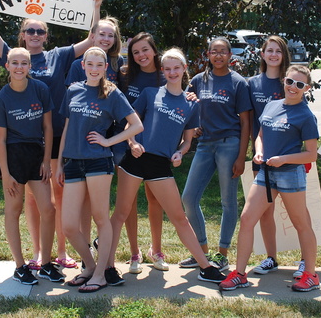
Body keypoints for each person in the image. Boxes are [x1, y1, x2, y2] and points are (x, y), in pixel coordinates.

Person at [0, 0, 102, 271]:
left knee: (56, 195)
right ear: (23, 34)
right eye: (30, 30)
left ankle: (60, 252)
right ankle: (39, 252)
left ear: (46, 36)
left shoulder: (58, 56)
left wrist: (96, 6)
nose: (35, 34)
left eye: (40, 31)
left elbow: (91, 39)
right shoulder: (14, 56)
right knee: (34, 201)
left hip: (57, 135)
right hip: (25, 142)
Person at [106, 48, 227, 284]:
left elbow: (187, 141)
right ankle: (107, 266)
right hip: (135, 160)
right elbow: (128, 126)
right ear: (163, 71)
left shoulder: (192, 104)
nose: (172, 72)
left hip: (160, 165)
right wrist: (131, 143)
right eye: (168, 68)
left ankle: (205, 266)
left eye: (177, 68)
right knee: (120, 214)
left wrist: (179, 153)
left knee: (179, 217)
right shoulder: (150, 94)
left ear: (184, 70)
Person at [220, 65, 321, 292]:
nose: (293, 87)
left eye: (299, 84)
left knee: (301, 224)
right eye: (289, 82)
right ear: (284, 81)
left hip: (290, 175)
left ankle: (311, 275)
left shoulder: (306, 115)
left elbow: (311, 154)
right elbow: (261, 135)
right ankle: (239, 274)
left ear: (307, 88)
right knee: (247, 220)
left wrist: (283, 159)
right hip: (266, 172)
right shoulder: (272, 105)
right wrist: (258, 150)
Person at [55, 47, 143, 293]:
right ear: (83, 66)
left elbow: (136, 125)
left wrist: (107, 142)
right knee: (69, 225)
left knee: (100, 218)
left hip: (98, 162)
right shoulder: (73, 90)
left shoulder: (112, 93)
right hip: (73, 162)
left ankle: (101, 274)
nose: (94, 69)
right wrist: (60, 162)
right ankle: (91, 267)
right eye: (89, 64)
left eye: (99, 65)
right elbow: (67, 129)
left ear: (106, 67)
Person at [0, 47, 64, 285]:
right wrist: (7, 174)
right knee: (14, 209)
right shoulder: (2, 97)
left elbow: (48, 128)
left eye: (24, 63)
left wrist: (45, 159)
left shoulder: (40, 89)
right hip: (12, 157)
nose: (19, 67)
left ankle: (45, 264)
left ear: (30, 66)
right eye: (15, 63)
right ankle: (20, 266)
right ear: (7, 66)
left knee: (49, 208)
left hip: (36, 153)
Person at [180, 37, 251, 271]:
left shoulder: (238, 83)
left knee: (228, 201)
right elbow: (186, 107)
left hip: (229, 144)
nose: (218, 56)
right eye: (214, 52)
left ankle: (222, 253)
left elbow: (245, 123)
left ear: (230, 55)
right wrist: (193, 126)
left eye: (223, 52)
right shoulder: (199, 81)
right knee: (188, 198)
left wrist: (242, 156)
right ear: (207, 55)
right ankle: (201, 252)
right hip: (204, 144)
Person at [246, 35, 299, 276]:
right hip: (262, 157)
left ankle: (305, 259)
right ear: (263, 54)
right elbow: (247, 121)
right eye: (269, 50)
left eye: (278, 50)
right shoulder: (252, 84)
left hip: (290, 159)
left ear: (283, 54)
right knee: (265, 212)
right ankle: (271, 257)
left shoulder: (290, 81)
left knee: (298, 214)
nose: (274, 54)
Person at [114, 32, 167, 273]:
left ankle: (156, 250)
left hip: (156, 145)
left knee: (155, 198)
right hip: (129, 144)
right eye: (135, 52)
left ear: (154, 50)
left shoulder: (166, 74)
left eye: (145, 50)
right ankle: (135, 254)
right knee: (129, 201)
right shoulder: (125, 75)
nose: (141, 55)